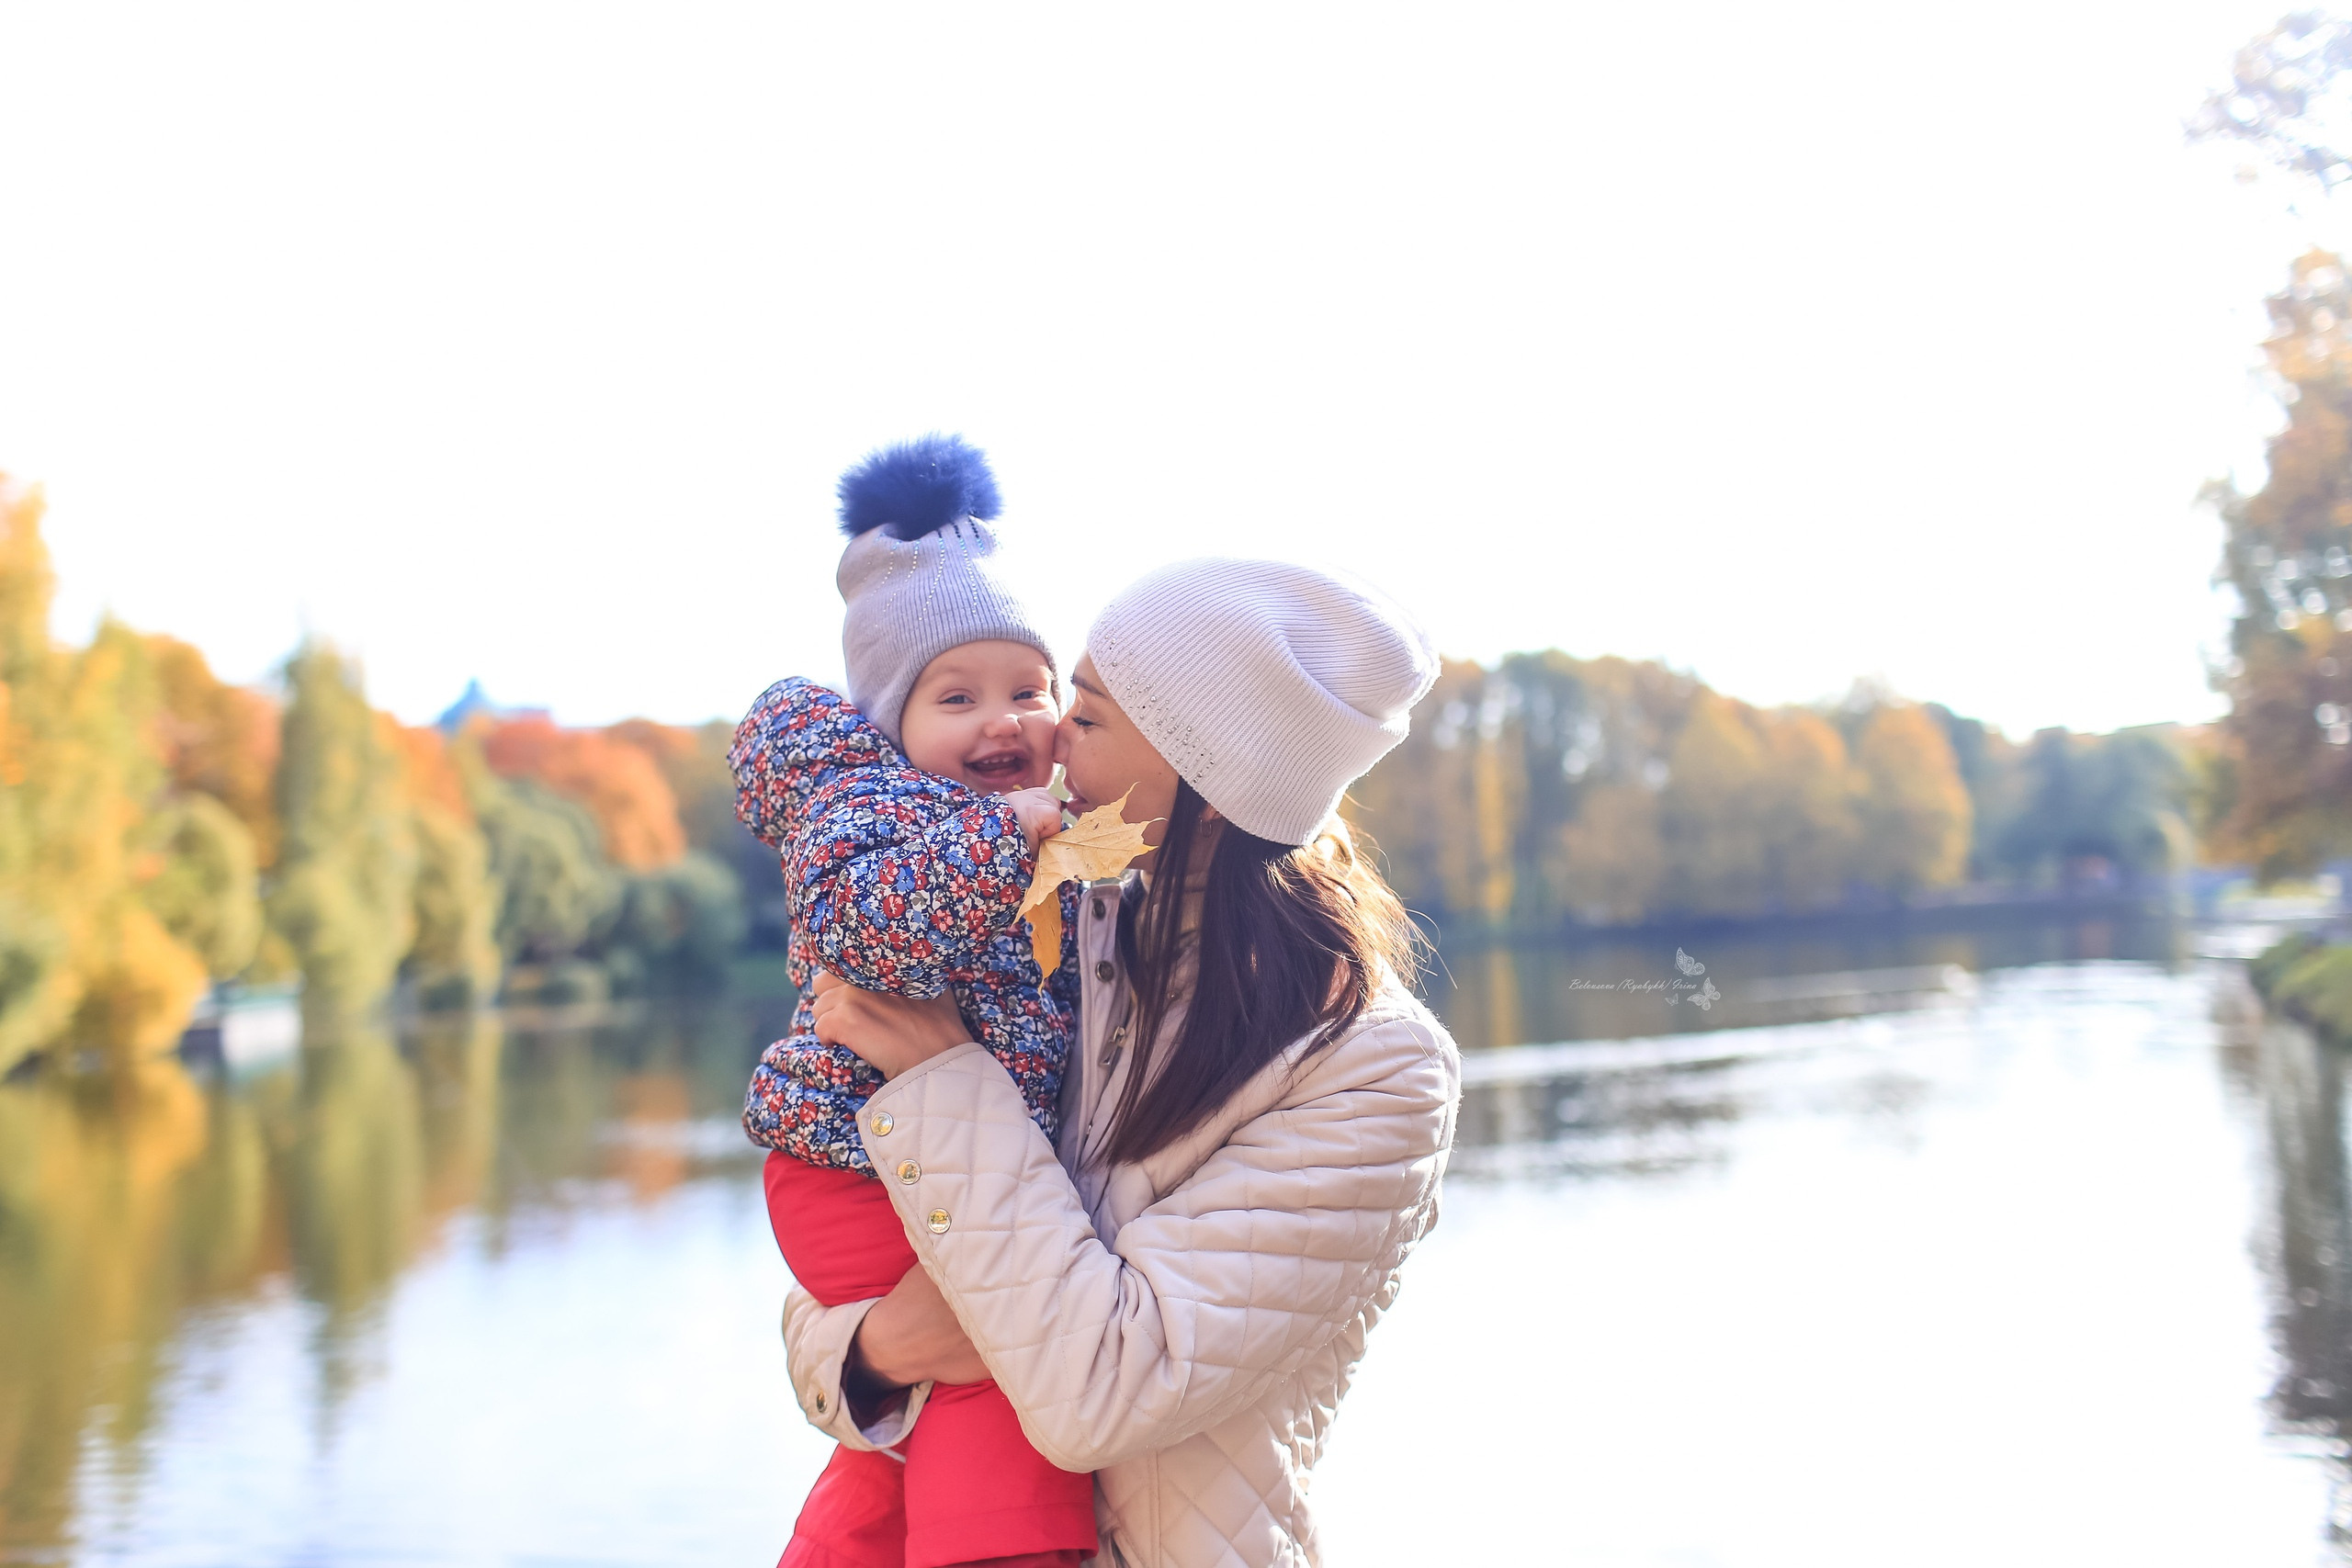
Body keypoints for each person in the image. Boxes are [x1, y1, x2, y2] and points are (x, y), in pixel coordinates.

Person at [792, 558, 1463, 1568]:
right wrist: (875, 1353)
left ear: (1210, 775)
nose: (1048, 737)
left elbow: (1099, 1393)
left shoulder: (1373, 1070)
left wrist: (941, 1076)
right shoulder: (1053, 939)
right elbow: (829, 1286)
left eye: (1090, 717)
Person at [730, 434, 1096, 1568]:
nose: (1005, 722)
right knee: (990, 1369)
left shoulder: (1035, 836)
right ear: (889, 722)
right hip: (851, 1162)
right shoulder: (863, 818)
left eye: (1029, 691)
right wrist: (1006, 834)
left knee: (918, 1423)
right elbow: (871, 931)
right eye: (958, 698)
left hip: (907, 1161)